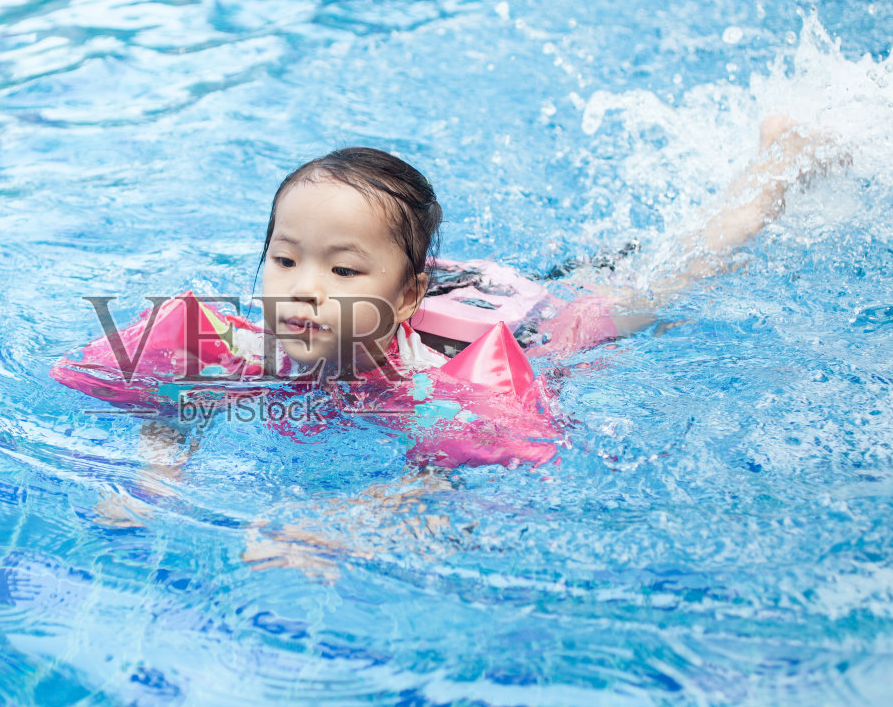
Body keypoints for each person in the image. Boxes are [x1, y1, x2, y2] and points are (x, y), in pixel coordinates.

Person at [66, 114, 843, 534]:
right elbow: (170, 400)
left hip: (523, 322)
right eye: (284, 259)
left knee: (654, 288)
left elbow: (453, 477)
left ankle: (776, 172)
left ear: (404, 297)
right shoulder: (242, 348)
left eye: (342, 271)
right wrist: (159, 470)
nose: (302, 290)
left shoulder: (439, 380)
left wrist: (345, 522)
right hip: (452, 285)